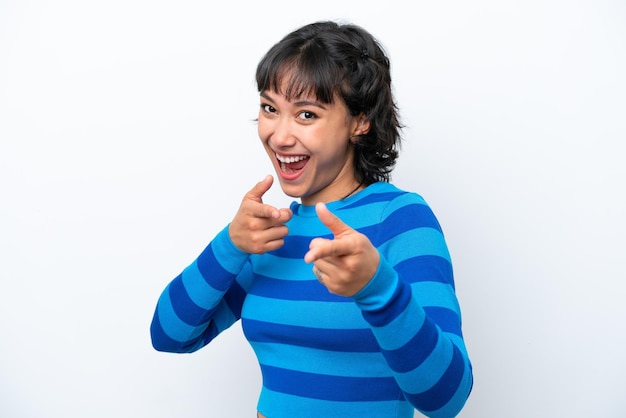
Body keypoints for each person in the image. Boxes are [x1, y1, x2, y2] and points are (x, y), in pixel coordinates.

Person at [150, 20, 473, 418]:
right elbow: (169, 335)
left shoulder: (400, 219)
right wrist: (229, 244)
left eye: (306, 114)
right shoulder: (271, 231)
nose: (280, 135)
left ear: (360, 121)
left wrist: (379, 289)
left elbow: (448, 399)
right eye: (270, 108)